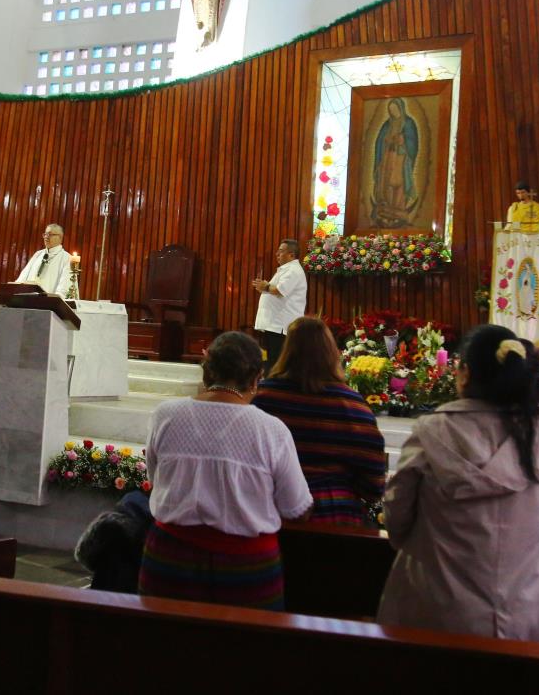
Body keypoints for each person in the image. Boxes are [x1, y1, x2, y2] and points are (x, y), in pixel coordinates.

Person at [377, 324, 539, 645]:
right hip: (528, 609)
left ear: (465, 373)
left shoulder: (433, 431)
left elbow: (397, 515)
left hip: (437, 609)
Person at [138, 331, 313, 610]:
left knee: (167, 647)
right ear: (257, 378)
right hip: (246, 569)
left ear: (206, 371)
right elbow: (297, 508)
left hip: (171, 561)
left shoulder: (165, 415)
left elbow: (155, 480)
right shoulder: (271, 430)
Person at [252, 317, 386, 526]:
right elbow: (374, 482)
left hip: (268, 512)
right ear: (330, 352)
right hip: (335, 515)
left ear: (288, 351)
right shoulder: (352, 406)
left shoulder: (263, 397)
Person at [251, 238, 307, 373]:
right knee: (271, 361)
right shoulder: (286, 269)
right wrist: (265, 287)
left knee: (276, 363)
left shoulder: (293, 270)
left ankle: (275, 389)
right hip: (274, 325)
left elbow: (280, 290)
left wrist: (266, 286)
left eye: (281, 251)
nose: (277, 254)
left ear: (291, 255)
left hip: (281, 326)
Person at [372, 97, 420, 227]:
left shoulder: (408, 123)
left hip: (400, 160)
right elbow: (379, 143)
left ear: (401, 108)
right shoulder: (387, 125)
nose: (393, 112)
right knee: (386, 184)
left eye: (395, 109)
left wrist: (403, 140)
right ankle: (385, 212)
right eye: (391, 110)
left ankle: (398, 213)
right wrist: (387, 141)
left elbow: (413, 144)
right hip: (387, 159)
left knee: (399, 185)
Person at [14, 223, 71, 297]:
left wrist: (55, 297)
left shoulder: (67, 258)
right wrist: (16, 288)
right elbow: (23, 277)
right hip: (29, 300)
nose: (46, 237)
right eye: (45, 234)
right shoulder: (38, 254)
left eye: (50, 234)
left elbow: (64, 287)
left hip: (49, 303)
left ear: (60, 237)